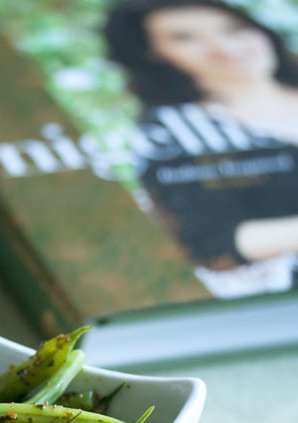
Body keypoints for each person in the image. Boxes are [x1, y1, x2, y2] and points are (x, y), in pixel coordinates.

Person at [104, 0, 298, 297]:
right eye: (185, 38)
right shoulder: (173, 135)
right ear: (151, 53)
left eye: (235, 30)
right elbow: (210, 239)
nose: (224, 48)